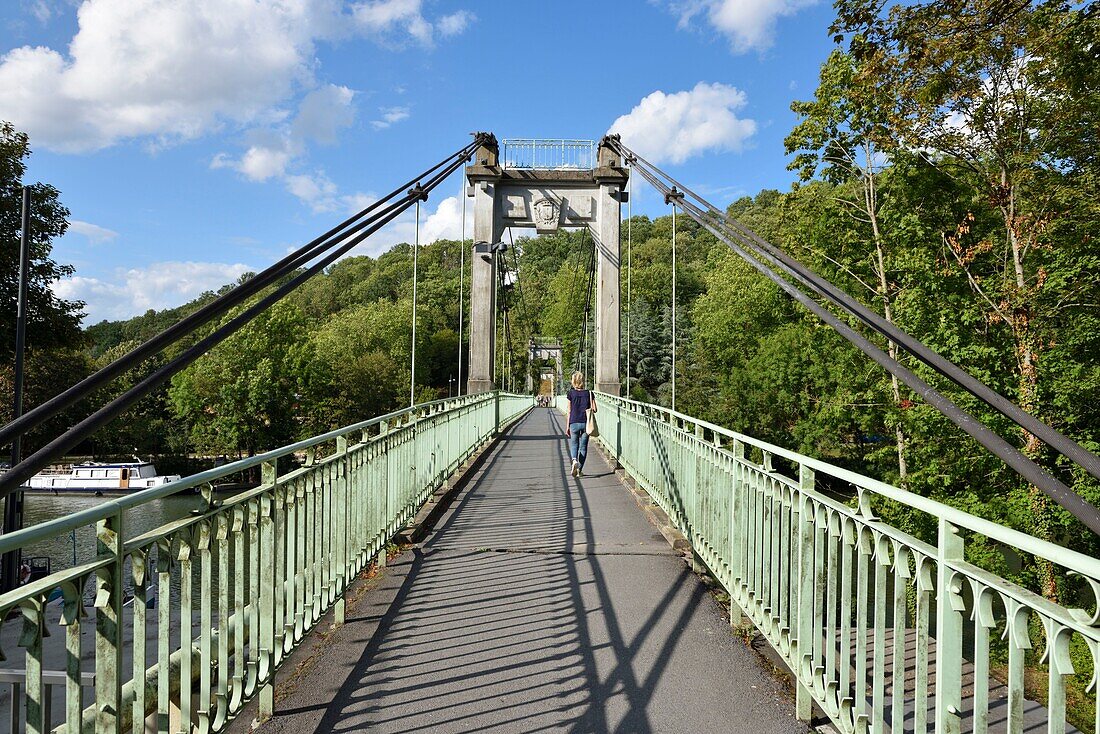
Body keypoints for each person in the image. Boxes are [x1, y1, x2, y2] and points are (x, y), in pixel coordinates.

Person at [565, 371, 596, 477]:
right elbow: (595, 409)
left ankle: (574, 460)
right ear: (582, 381)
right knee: (583, 447)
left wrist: (567, 426)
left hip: (573, 422)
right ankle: (579, 471)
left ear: (573, 381)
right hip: (585, 423)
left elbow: (569, 411)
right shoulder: (589, 393)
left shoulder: (570, 393)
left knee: (574, 444)